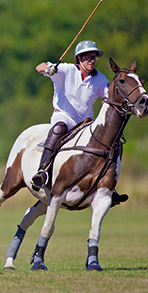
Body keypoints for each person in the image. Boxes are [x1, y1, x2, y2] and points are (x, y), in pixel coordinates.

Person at [31, 40, 128, 205]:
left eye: (94, 57)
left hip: (84, 122)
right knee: (57, 130)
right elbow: (39, 67)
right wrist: (49, 69)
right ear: (79, 58)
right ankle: (42, 172)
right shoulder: (67, 69)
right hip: (63, 116)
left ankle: (109, 186)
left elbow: (110, 96)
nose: (92, 60)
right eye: (88, 57)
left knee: (113, 142)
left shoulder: (100, 79)